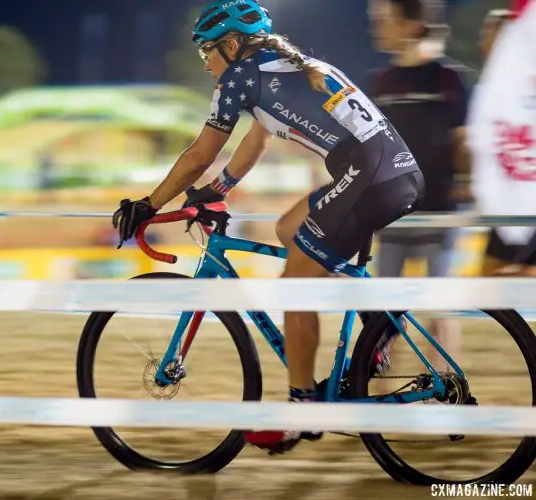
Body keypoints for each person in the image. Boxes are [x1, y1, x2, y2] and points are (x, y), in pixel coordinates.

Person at [111, 0, 425, 453]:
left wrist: (147, 204)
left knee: (293, 287)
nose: (206, 66)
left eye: (207, 53)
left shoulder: (241, 76)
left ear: (233, 45)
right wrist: (217, 189)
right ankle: (379, 319)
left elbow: (201, 152)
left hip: (368, 181)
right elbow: (255, 140)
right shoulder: (287, 68)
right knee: (287, 229)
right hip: (392, 176)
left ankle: (302, 409)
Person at [364, 0, 477, 373]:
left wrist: (464, 182)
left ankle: (449, 385)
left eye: (384, 20)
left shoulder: (447, 77)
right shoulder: (379, 82)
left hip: (439, 214)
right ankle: (376, 398)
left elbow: (463, 140)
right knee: (384, 314)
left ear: (412, 26)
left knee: (438, 309)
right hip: (392, 214)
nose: (377, 27)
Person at [469, 1, 536, 277]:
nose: (483, 41)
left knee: (499, 282)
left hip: (525, 196)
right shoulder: (493, 89)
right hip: (513, 201)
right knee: (491, 284)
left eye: (492, 34)